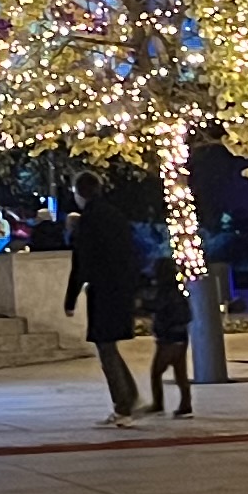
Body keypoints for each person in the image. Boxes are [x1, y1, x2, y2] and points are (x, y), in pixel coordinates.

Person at [64, 169, 147, 423]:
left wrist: (70, 298)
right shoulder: (115, 215)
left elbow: (82, 262)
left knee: (105, 348)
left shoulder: (88, 221)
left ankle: (123, 407)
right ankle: (129, 397)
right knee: (109, 345)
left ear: (79, 193)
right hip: (121, 288)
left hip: (103, 291)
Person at [146, 255, 195, 419]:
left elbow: (158, 307)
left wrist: (141, 305)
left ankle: (158, 403)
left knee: (156, 372)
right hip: (180, 335)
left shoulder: (165, 291)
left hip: (168, 338)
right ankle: (185, 403)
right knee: (180, 372)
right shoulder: (178, 289)